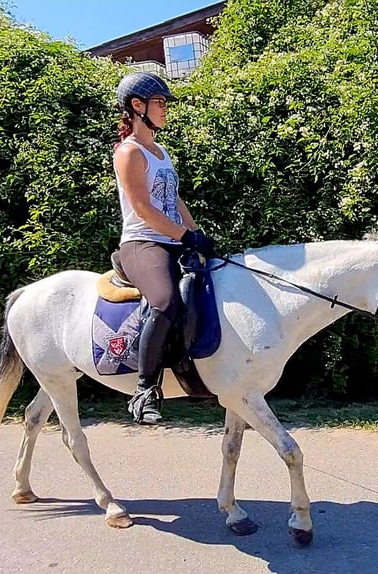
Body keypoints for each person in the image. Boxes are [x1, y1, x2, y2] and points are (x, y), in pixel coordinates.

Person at [112, 71, 216, 424]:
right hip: (143, 243)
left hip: (172, 239)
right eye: (159, 103)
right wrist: (184, 237)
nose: (165, 109)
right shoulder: (129, 152)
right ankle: (144, 390)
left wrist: (197, 233)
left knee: (211, 286)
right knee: (165, 300)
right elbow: (143, 208)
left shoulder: (161, 151)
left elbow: (174, 199)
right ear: (136, 106)